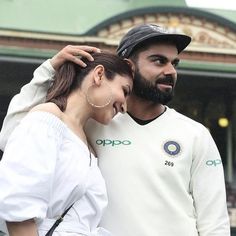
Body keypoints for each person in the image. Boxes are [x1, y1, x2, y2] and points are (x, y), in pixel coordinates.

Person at [0, 24, 230, 236]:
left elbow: (215, 224)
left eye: (174, 63)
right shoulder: (94, 122)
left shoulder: (196, 134)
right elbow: (13, 137)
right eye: (159, 61)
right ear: (128, 65)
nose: (171, 71)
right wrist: (48, 70)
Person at [0, 48, 133, 236]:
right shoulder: (47, 120)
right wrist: (48, 69)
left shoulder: (88, 144)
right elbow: (19, 208)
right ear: (99, 75)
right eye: (125, 91)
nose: (125, 107)